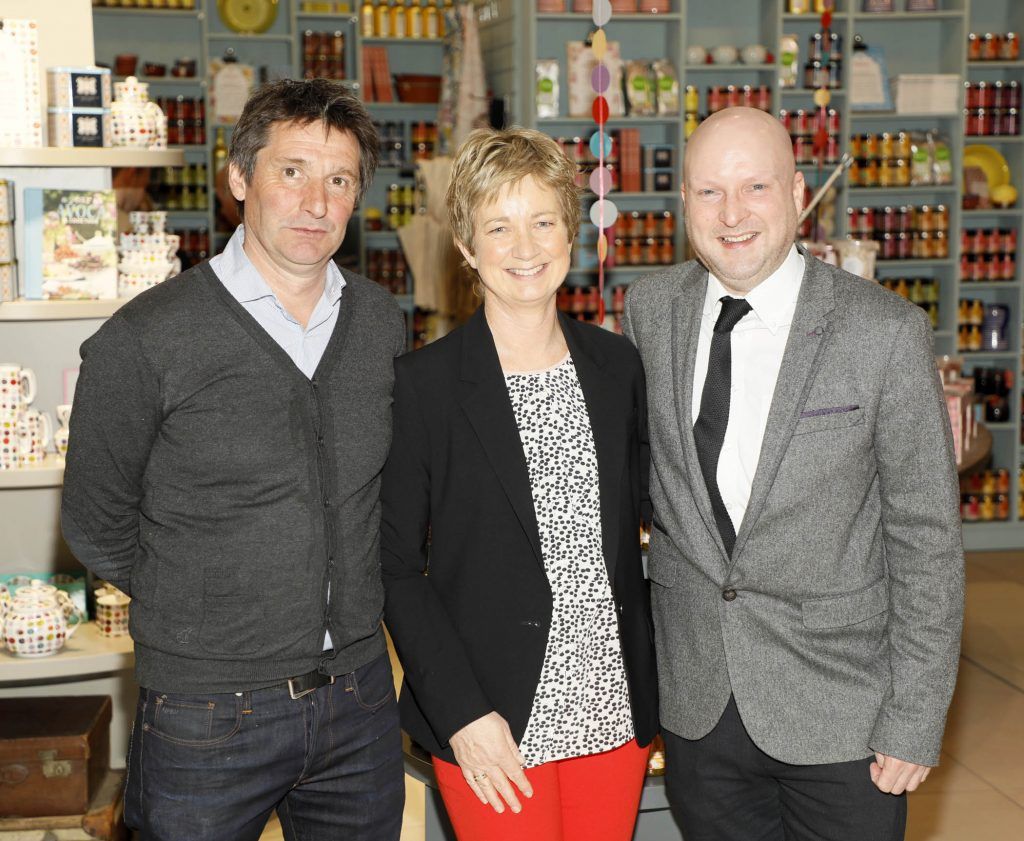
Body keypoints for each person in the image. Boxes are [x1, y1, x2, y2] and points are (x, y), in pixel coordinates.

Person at [61, 79, 406, 841]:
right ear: (240, 179)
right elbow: (95, 521)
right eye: (292, 171)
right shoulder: (146, 339)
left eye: (340, 179)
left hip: (358, 699)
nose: (317, 200)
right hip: (206, 714)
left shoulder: (382, 323)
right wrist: (199, 615)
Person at [623, 106, 964, 841]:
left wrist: (917, 714)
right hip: (699, 707)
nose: (733, 213)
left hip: (844, 715)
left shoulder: (883, 331)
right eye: (709, 192)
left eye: (756, 187)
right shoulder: (649, 311)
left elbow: (926, 537)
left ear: (800, 192)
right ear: (682, 201)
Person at [380, 127, 658, 841]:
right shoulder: (426, 386)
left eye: (542, 221)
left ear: (571, 232)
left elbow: (646, 524)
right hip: (491, 717)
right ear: (467, 247)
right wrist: (463, 714)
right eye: (499, 227)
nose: (525, 247)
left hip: (611, 708)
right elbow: (395, 568)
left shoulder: (617, 367)